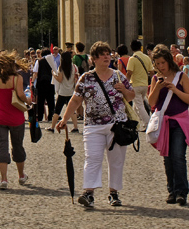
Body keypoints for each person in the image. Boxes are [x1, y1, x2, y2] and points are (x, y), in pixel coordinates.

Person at [56, 41, 135, 208]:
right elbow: (76, 99)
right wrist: (64, 119)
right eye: (102, 54)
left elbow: (131, 96)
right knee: (92, 158)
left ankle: (114, 193)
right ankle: (89, 192)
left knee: (116, 161)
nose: (106, 57)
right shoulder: (86, 78)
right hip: (93, 125)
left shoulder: (118, 76)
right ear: (93, 59)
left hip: (117, 125)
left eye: (108, 54)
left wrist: (125, 91)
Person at [147, 46, 189, 206]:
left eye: (163, 62)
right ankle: (172, 191)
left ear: (169, 61)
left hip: (179, 122)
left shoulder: (182, 77)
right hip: (164, 122)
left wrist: (175, 90)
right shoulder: (156, 79)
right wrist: (157, 88)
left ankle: (182, 192)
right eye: (157, 63)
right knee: (167, 158)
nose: (161, 66)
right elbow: (151, 102)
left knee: (178, 157)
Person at [0, 51, 30, 189]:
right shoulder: (16, 78)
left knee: (2, 147)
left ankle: (4, 179)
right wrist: (28, 100)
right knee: (17, 146)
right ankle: (21, 175)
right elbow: (20, 94)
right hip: (15, 117)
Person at [126, 39, 152, 130]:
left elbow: (129, 72)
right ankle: (137, 122)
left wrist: (126, 83)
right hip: (145, 84)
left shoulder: (132, 59)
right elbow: (151, 71)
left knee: (139, 105)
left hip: (135, 85)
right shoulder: (146, 57)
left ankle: (148, 123)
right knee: (136, 106)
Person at [51, 50, 79, 133]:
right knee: (72, 110)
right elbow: (76, 79)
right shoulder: (74, 67)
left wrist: (54, 74)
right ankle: (76, 127)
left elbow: (60, 79)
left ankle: (52, 127)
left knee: (57, 110)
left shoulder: (61, 67)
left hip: (63, 91)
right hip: (71, 91)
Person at [32, 48, 56, 122]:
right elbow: (55, 71)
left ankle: (40, 117)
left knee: (40, 100)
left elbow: (35, 72)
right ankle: (51, 116)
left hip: (41, 82)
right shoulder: (52, 61)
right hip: (50, 82)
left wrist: (33, 82)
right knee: (51, 100)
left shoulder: (39, 61)